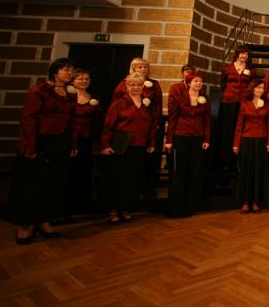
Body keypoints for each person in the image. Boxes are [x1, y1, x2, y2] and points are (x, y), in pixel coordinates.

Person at [10, 58, 77, 244]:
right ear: (55, 72)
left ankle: (43, 220)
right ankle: (24, 226)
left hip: (61, 142)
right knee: (31, 185)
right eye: (65, 69)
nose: (69, 73)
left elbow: (73, 120)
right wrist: (30, 145)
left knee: (53, 184)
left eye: (71, 70)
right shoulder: (39, 90)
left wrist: (73, 144)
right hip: (41, 141)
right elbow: (28, 118)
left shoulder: (70, 93)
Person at [101, 72, 157, 224]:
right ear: (127, 86)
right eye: (132, 84)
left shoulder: (146, 103)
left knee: (132, 179)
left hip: (139, 145)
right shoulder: (119, 103)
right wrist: (105, 145)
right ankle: (113, 210)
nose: (136, 87)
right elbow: (108, 125)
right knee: (117, 179)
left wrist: (151, 143)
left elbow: (151, 125)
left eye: (139, 85)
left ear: (143, 86)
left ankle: (125, 209)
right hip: (121, 145)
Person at [164, 72, 211, 218]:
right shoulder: (180, 97)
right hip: (181, 136)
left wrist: (206, 139)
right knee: (179, 172)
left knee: (193, 171)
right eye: (195, 81)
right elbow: (173, 118)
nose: (198, 83)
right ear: (189, 83)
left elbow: (207, 120)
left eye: (200, 81)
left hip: (197, 137)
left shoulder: (205, 99)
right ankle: (176, 208)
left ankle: (190, 207)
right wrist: (169, 140)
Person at [63, 68, 102, 218]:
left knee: (83, 171)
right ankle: (65, 206)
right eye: (81, 78)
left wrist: (96, 140)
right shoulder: (67, 96)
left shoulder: (93, 98)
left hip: (86, 138)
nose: (84, 81)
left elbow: (97, 121)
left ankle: (80, 205)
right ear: (73, 81)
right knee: (67, 171)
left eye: (87, 79)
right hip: (68, 137)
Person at [233, 78, 269, 214]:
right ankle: (245, 202)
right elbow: (239, 124)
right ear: (252, 88)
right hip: (247, 139)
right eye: (258, 87)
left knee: (258, 171)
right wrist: (236, 143)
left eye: (262, 88)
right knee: (247, 170)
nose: (260, 90)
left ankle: (256, 201)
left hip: (261, 140)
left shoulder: (267, 104)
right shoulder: (245, 103)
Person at [217, 47, 253, 169]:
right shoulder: (227, 68)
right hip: (228, 102)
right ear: (237, 54)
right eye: (242, 53)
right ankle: (225, 161)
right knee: (227, 130)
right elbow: (223, 84)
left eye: (246, 54)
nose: (244, 56)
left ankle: (238, 161)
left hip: (243, 103)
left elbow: (252, 87)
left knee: (240, 130)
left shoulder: (251, 70)